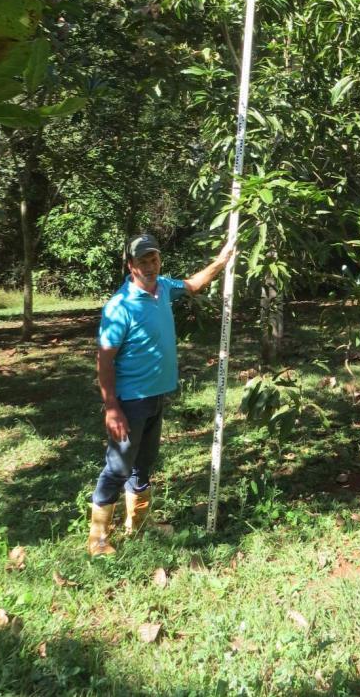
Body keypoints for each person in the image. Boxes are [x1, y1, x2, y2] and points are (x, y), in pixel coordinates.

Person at [87, 233, 232, 556]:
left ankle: (137, 526)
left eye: (154, 259)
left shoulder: (164, 287)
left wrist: (221, 262)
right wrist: (112, 407)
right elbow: (105, 360)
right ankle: (97, 538)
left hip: (156, 397)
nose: (150, 266)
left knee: (143, 464)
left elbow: (193, 284)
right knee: (118, 467)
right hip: (129, 400)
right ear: (130, 266)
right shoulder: (119, 307)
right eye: (143, 261)